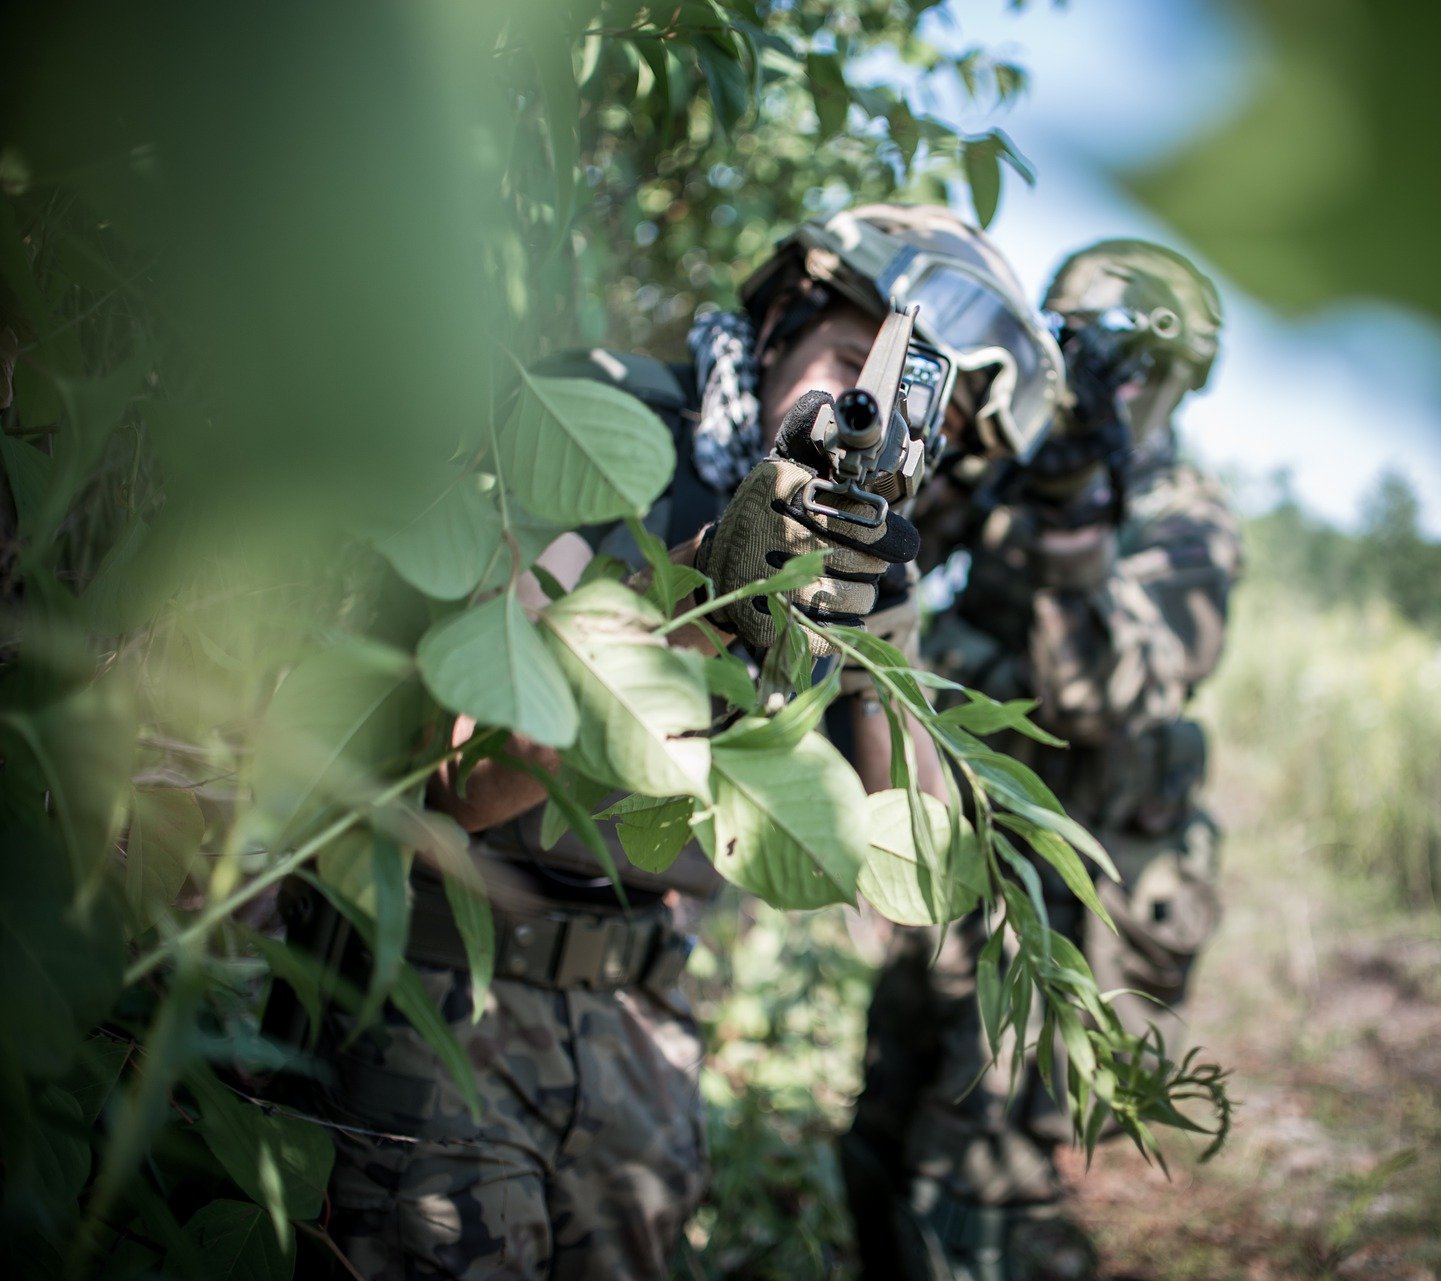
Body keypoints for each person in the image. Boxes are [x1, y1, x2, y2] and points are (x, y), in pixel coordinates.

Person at [282, 204, 1063, 1281]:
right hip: (441, 1005)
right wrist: (702, 586)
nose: (864, 417)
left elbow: (918, 877)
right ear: (785, 317)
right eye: (850, 359)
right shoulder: (610, 433)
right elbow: (458, 776)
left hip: (639, 1026)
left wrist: (889, 632)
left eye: (916, 424)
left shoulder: (854, 567)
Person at [842, 239, 1243, 1281]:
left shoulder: (1180, 515)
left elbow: (1105, 697)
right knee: (878, 1145)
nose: (1111, 384)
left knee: (974, 1195)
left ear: (1180, 381)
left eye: (1136, 366)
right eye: (1081, 349)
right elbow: (882, 570)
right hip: (958, 865)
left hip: (1064, 905)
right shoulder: (1007, 461)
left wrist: (1077, 521)